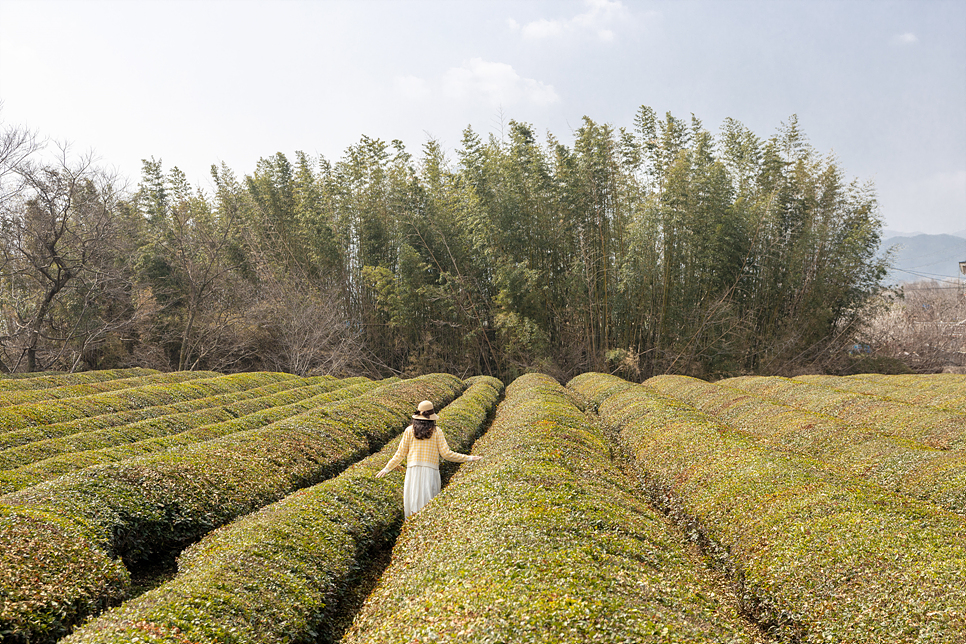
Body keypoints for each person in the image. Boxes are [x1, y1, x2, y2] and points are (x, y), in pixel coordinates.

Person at [375, 400, 482, 517]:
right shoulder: (436, 431)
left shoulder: (409, 431)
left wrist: (386, 468)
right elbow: (447, 454)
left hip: (413, 472)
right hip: (430, 472)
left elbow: (400, 454)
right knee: (428, 502)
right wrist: (469, 458)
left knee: (413, 501)